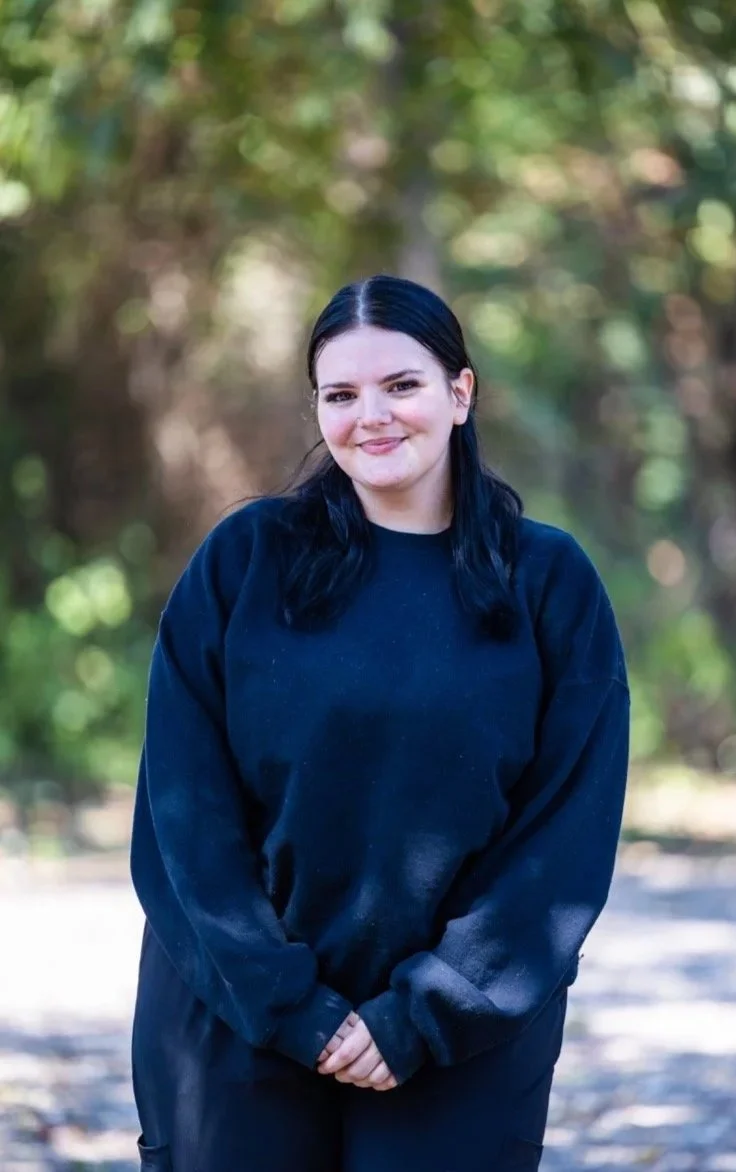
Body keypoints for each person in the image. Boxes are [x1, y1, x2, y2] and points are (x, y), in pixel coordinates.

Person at [129, 273, 630, 1172]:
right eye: (341, 394)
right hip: (237, 1019)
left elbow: (564, 834)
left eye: (401, 384)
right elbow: (182, 812)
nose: (373, 416)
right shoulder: (246, 561)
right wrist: (290, 1006)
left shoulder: (546, 581)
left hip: (460, 1042)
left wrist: (426, 1011)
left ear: (460, 393)